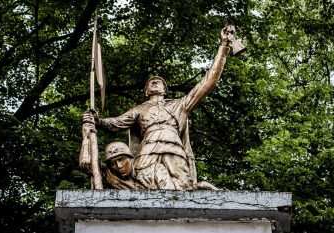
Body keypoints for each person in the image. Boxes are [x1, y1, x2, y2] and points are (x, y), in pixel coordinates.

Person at [84, 27, 231, 190]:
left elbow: (207, 83)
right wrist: (97, 121)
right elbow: (116, 124)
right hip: (148, 152)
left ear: (165, 90)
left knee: (184, 189)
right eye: (151, 82)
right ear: (146, 91)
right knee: (146, 186)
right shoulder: (139, 109)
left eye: (159, 81)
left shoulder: (180, 105)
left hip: (174, 150)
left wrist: (223, 46)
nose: (155, 81)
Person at [104, 141, 175, 189]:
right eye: (113, 164)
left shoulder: (155, 169)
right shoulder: (114, 178)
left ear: (130, 158)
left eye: (121, 159)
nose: (119, 166)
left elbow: (170, 196)